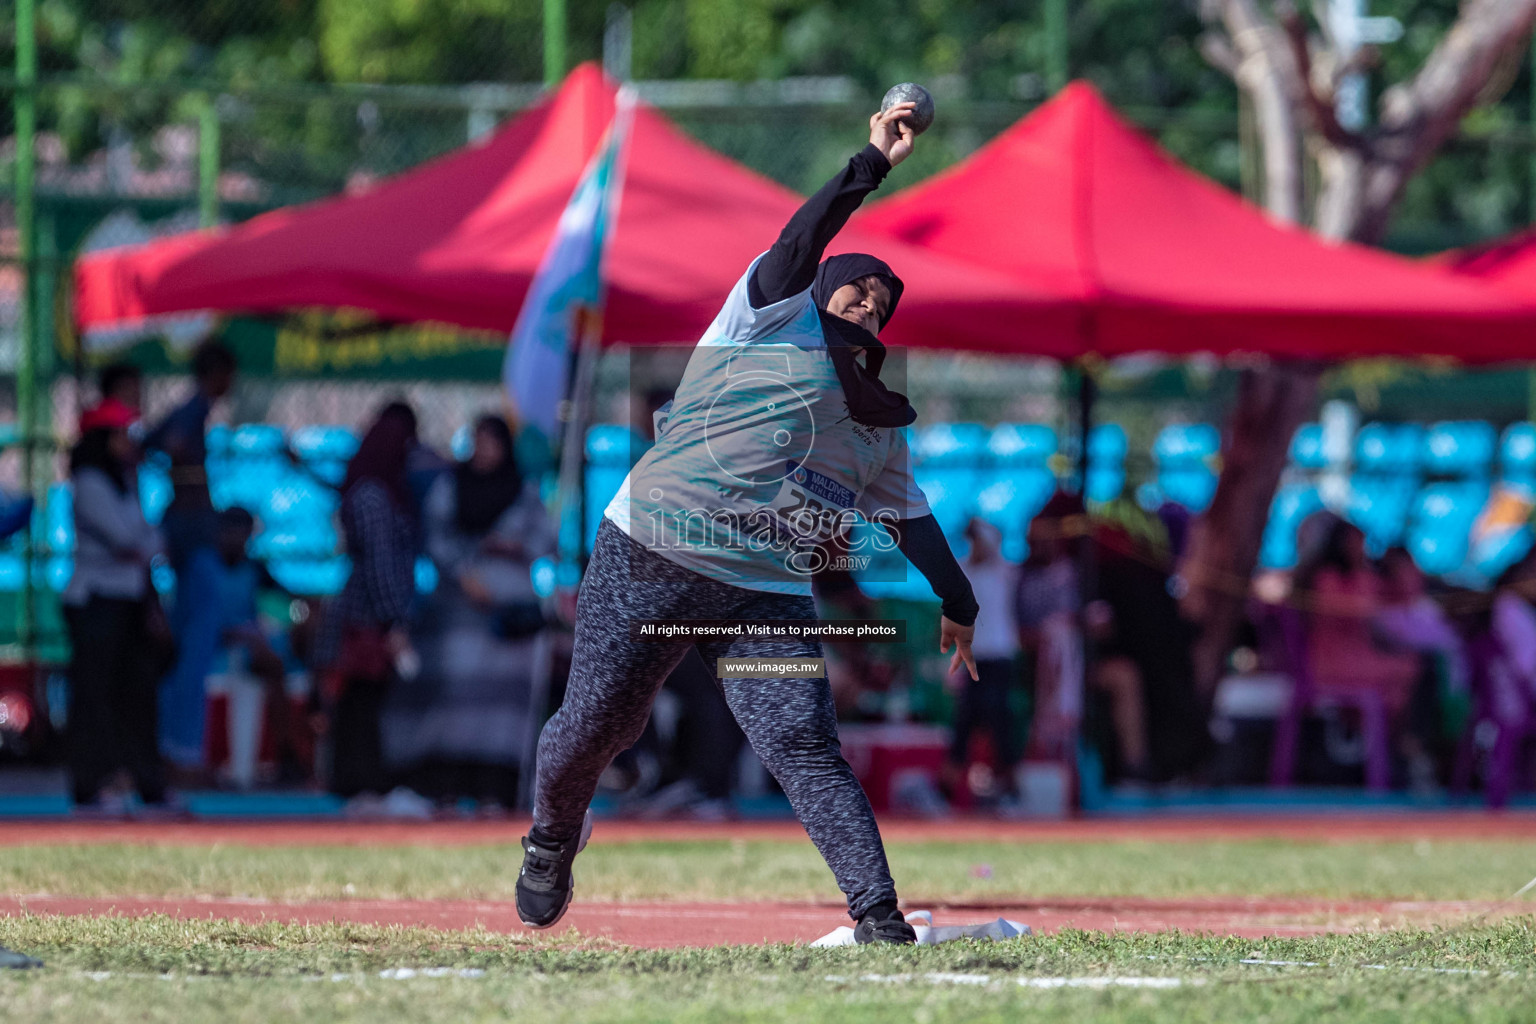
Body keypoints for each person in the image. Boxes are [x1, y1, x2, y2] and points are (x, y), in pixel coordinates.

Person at [517, 100, 978, 945]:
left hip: (761, 591)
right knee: (600, 726)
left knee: (802, 742)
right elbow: (806, 237)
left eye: (883, 304)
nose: (869, 307)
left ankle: (877, 915)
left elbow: (912, 522)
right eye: (857, 289)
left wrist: (961, 602)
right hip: (651, 551)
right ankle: (551, 839)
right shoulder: (767, 315)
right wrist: (871, 163)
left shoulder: (877, 421)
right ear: (822, 289)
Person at [386, 414, 555, 809]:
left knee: (503, 709)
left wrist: (512, 547)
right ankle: (447, 784)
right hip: (459, 613)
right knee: (455, 698)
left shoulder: (524, 491)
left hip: (509, 622)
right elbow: (436, 538)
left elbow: (547, 538)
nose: (483, 451)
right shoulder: (451, 488)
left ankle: (495, 788)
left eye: (491, 442)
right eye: (477, 442)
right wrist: (465, 575)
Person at [63, 399, 169, 811]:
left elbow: (150, 540)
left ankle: (146, 784)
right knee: (94, 695)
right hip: (95, 602)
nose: (129, 443)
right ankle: (91, 786)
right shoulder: (89, 483)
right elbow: (127, 540)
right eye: (122, 434)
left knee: (137, 692)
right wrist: (143, 545)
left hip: (128, 601)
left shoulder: (129, 481)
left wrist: (144, 546)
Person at [314, 402, 422, 801]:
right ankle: (357, 779)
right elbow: (380, 563)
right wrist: (394, 620)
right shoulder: (374, 495)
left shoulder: (375, 488)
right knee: (359, 701)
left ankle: (357, 778)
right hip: (366, 619)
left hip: (367, 614)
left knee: (362, 702)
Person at [145, 339, 237, 775]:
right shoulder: (193, 412)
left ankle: (172, 748)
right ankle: (182, 752)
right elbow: (164, 444)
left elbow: (151, 441)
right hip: (192, 539)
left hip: (189, 535)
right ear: (215, 374)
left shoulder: (191, 412)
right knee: (195, 650)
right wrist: (195, 506)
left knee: (186, 648)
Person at [208, 507, 305, 789]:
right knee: (270, 666)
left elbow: (289, 601)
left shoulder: (254, 568)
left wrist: (301, 615)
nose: (238, 539)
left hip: (248, 651)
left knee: (273, 669)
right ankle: (287, 754)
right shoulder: (206, 566)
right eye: (232, 532)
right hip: (212, 650)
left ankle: (288, 755)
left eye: (244, 533)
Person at [943, 518, 1021, 803]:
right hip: (969, 656)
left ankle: (1011, 785)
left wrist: (976, 522)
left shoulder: (1004, 570)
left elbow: (995, 537)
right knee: (964, 720)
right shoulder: (962, 570)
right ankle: (948, 788)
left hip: (999, 656)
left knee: (999, 717)